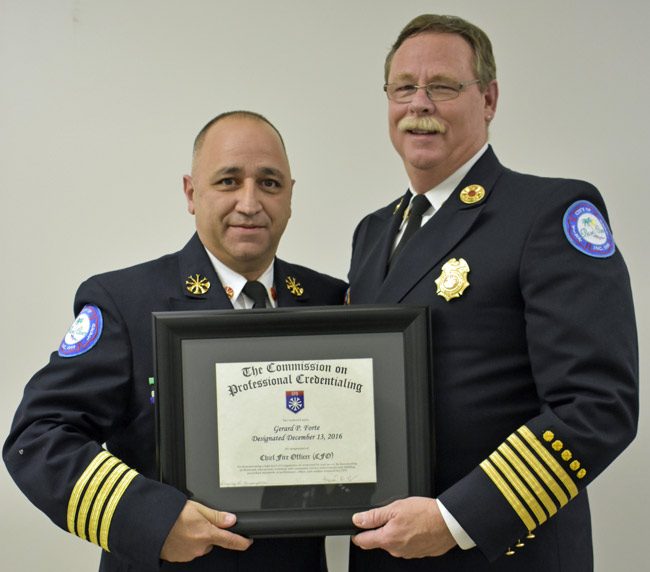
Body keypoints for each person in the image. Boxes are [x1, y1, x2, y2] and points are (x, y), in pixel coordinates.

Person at [346, 14, 638, 571]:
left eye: (444, 86)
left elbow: (599, 405)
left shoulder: (548, 213)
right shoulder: (372, 233)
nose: (420, 104)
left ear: (489, 99)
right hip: (384, 551)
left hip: (500, 552)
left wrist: (456, 519)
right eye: (403, 87)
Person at [3, 110, 346, 571]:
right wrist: (153, 519)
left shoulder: (332, 303)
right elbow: (39, 437)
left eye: (269, 183)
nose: (250, 202)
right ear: (191, 193)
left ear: (290, 196)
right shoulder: (126, 302)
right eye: (228, 181)